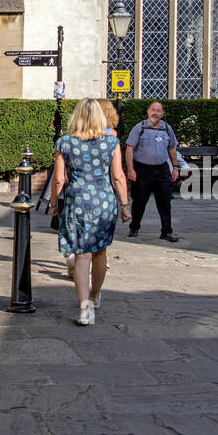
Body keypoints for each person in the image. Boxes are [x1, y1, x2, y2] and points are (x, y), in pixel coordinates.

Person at [50, 98, 130, 326]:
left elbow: (59, 180)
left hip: (78, 203)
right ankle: (95, 295)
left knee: (82, 255)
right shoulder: (111, 143)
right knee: (100, 252)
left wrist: (54, 205)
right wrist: (125, 206)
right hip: (104, 202)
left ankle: (85, 309)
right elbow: (118, 177)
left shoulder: (64, 143)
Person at [124, 101, 180, 242]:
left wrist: (175, 167)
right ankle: (134, 227)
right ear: (148, 112)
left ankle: (167, 231)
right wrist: (130, 169)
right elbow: (129, 148)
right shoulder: (139, 128)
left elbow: (172, 148)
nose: (155, 113)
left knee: (165, 202)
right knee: (139, 201)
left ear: (162, 113)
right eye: (153, 110)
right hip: (142, 169)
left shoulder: (167, 128)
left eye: (158, 110)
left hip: (162, 170)